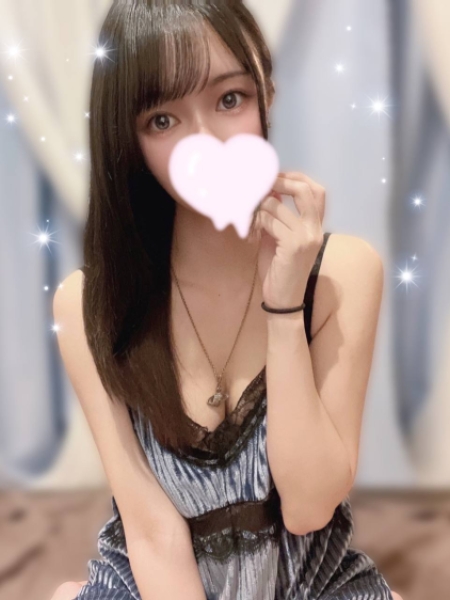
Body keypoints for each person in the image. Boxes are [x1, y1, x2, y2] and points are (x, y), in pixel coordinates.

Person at [51, 1, 404, 599]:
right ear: (128, 139)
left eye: (229, 99)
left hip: (311, 582)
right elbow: (152, 532)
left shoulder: (342, 273)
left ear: (267, 92)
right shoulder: (90, 305)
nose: (205, 141)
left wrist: (285, 308)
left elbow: (309, 507)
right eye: (163, 120)